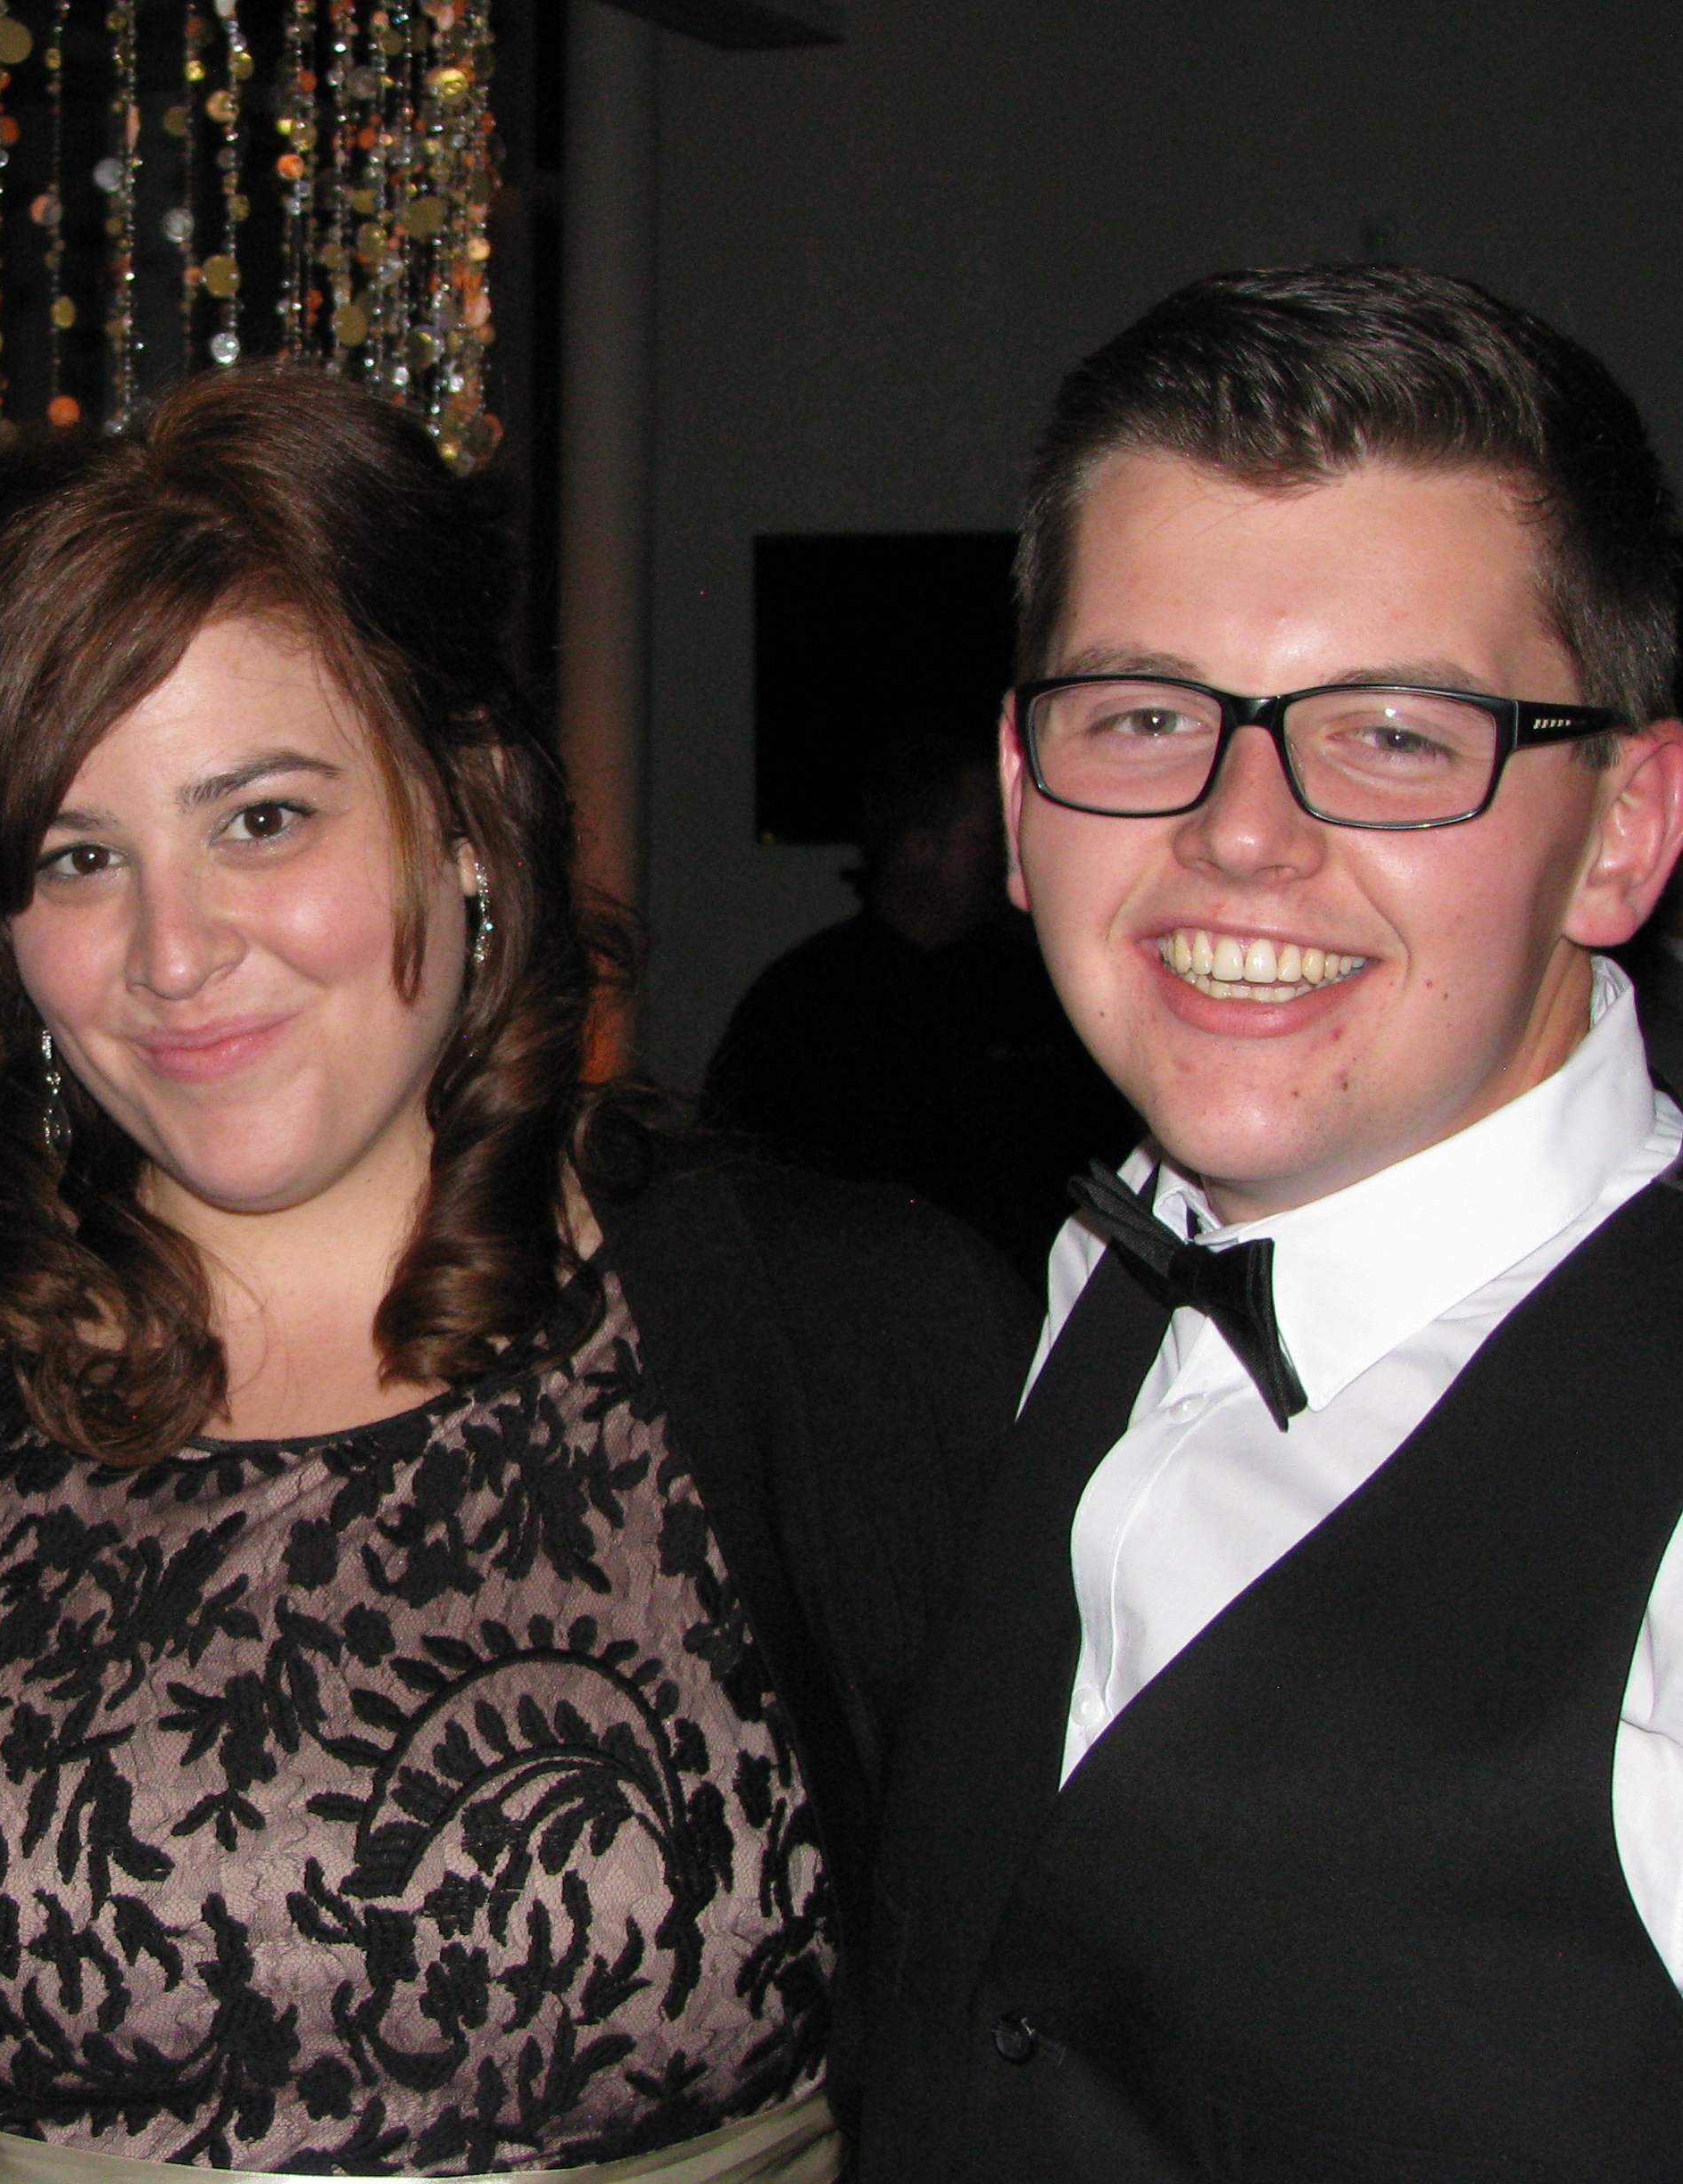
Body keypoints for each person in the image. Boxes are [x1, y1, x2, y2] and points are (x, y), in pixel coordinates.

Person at [0, 366, 1032, 2182]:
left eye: (263, 820)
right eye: (80, 856)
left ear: (471, 815)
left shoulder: (853, 1339)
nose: (172, 955)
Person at [858, 265, 1683, 2180]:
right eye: (1147, 713)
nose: (1241, 830)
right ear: (1019, 785)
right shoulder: (1077, 1283)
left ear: (1624, 833)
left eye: (1396, 733)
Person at [703, 730, 1136, 1279]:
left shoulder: (1045, 993)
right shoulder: (804, 1005)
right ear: (918, 847)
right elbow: (747, 1189)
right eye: (984, 840)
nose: (1011, 858)